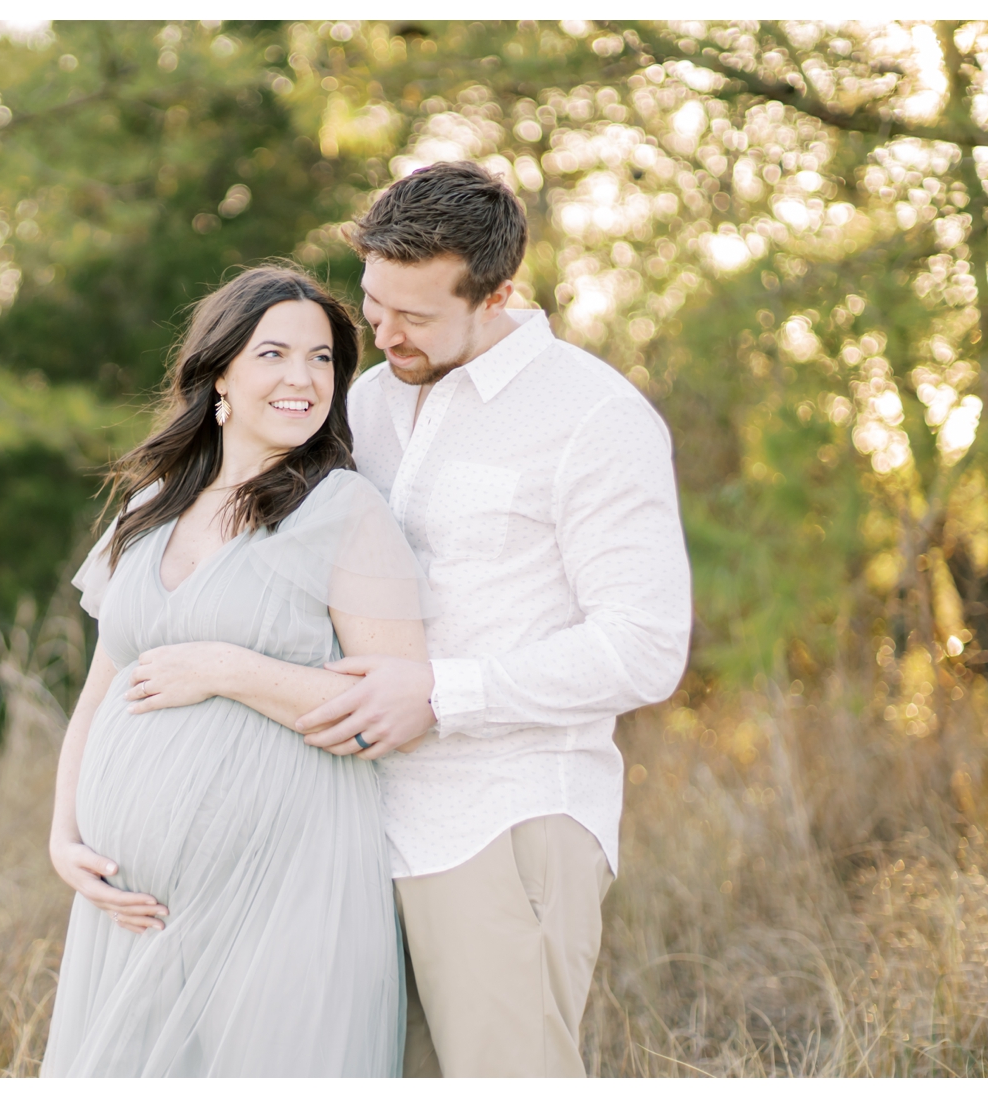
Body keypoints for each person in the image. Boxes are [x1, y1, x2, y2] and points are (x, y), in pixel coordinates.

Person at [128, 161, 692, 1077]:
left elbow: (644, 647)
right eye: (372, 304)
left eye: (415, 316)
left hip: (502, 821)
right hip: (344, 830)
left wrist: (444, 694)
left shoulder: (593, 417)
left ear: (499, 294)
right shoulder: (363, 403)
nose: (384, 333)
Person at [39, 265, 434, 1077]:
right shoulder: (149, 507)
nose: (303, 379)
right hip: (136, 903)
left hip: (283, 884)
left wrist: (228, 668)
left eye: (323, 359)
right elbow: (100, 694)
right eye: (275, 354)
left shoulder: (344, 511)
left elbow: (390, 711)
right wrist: (63, 834)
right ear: (218, 372)